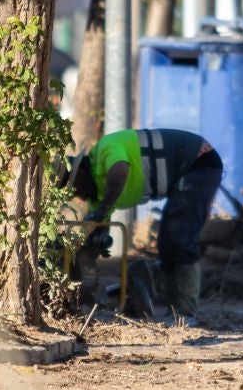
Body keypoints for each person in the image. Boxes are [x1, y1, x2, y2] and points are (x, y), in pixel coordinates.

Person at [70, 128, 223, 323]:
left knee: (181, 238)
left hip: (198, 162)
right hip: (184, 172)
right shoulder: (98, 197)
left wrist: (104, 208)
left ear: (81, 175)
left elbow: (120, 169)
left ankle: (186, 313)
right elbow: (100, 234)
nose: (79, 196)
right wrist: (83, 257)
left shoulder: (105, 149)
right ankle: (174, 310)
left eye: (75, 189)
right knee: (168, 243)